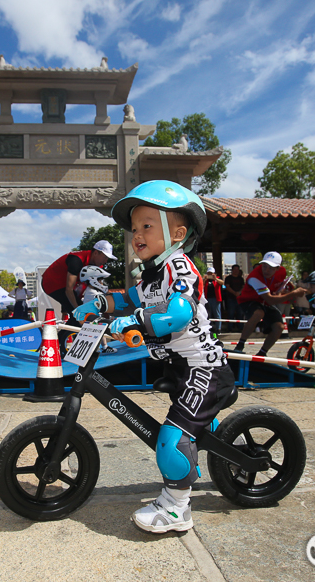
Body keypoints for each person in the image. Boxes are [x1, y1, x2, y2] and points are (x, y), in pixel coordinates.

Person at [72, 180, 233, 534]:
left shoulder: (180, 267)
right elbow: (126, 298)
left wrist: (138, 320)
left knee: (169, 440)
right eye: (134, 228)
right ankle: (208, 440)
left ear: (177, 234)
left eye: (147, 225)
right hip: (179, 368)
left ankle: (177, 507)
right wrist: (98, 304)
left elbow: (179, 311)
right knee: (188, 427)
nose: (137, 234)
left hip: (202, 369)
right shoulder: (150, 277)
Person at [233, 252, 307, 357]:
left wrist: (279, 292)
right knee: (259, 313)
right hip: (249, 300)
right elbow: (271, 300)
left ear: (278, 268)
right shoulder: (255, 277)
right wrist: (293, 293)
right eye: (264, 266)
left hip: (265, 302)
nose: (266, 270)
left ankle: (262, 353)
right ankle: (240, 345)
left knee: (279, 327)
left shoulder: (282, 272)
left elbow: (276, 290)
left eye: (271, 268)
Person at [41, 240, 116, 319]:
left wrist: (110, 299)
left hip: (68, 285)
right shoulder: (76, 260)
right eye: (105, 257)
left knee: (81, 315)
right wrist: (78, 310)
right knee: (79, 316)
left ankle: (69, 329)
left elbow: (98, 286)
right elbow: (69, 290)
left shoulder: (98, 265)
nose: (106, 261)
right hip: (51, 283)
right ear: (96, 253)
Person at [222, 264, 244, 332]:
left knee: (240, 314)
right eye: (235, 269)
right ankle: (230, 328)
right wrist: (235, 293)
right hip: (231, 298)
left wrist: (239, 292)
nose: (236, 271)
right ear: (232, 270)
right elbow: (227, 287)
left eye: (237, 270)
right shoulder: (228, 278)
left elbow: (243, 287)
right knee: (230, 314)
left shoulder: (241, 279)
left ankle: (240, 328)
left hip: (239, 299)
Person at [204, 268, 223, 333]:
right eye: (208, 273)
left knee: (217, 313)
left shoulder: (217, 279)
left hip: (216, 299)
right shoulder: (206, 281)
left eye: (211, 273)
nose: (210, 275)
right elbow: (201, 285)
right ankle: (209, 328)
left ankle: (218, 328)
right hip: (208, 299)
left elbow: (222, 283)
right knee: (208, 314)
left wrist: (215, 279)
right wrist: (205, 279)